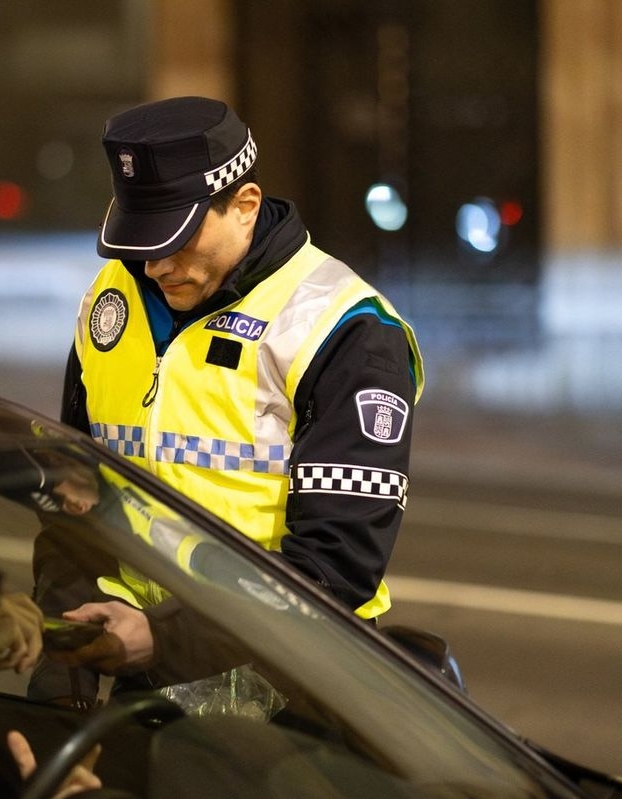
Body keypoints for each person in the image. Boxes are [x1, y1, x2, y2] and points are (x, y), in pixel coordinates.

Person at [56, 96, 424, 673]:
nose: (154, 266)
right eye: (141, 239)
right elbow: (72, 488)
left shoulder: (343, 328)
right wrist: (62, 650)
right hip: (141, 663)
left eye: (175, 238)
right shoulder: (113, 295)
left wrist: (168, 639)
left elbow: (337, 567)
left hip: (298, 681)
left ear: (245, 205)